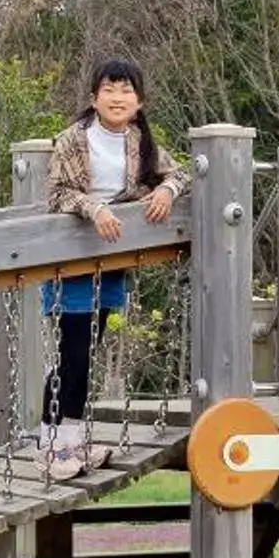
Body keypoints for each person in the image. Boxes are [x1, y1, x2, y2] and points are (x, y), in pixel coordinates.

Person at [39, 57, 189, 481]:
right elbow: (59, 193)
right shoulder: (73, 139)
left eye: (126, 91)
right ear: (94, 98)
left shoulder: (140, 142)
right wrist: (95, 207)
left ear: (139, 102)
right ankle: (54, 444)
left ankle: (70, 440)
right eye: (109, 90)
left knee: (89, 348)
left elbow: (181, 173)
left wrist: (166, 188)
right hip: (73, 255)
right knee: (73, 352)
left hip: (112, 257)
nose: (118, 97)